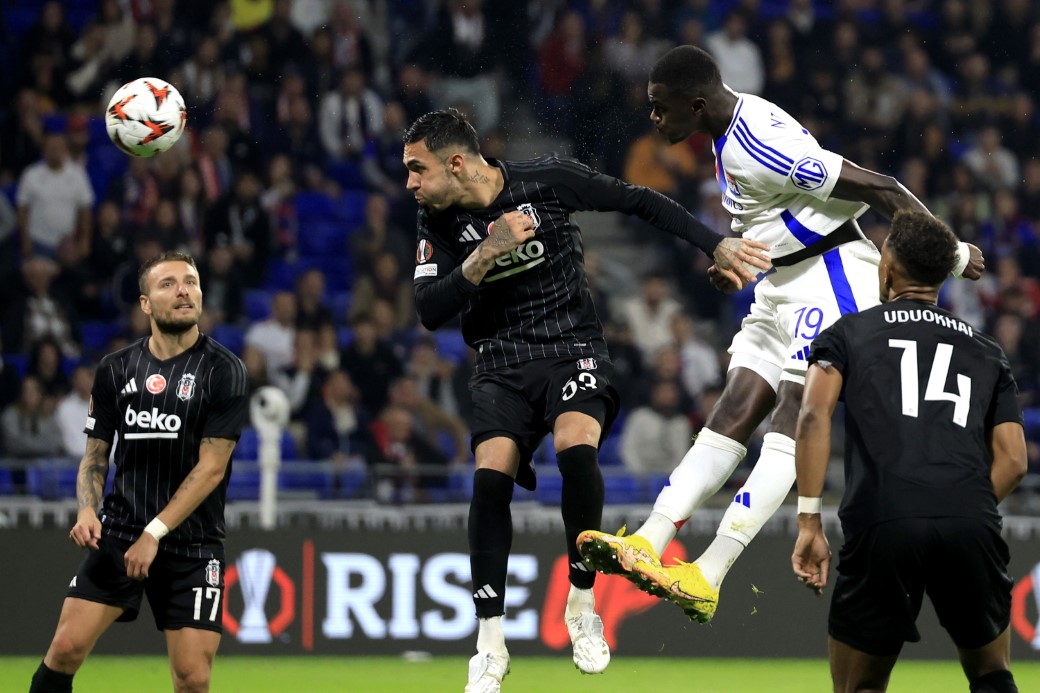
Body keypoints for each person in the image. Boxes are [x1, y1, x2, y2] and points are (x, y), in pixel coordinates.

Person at [577, 45, 985, 624]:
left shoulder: (760, 145)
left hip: (832, 278)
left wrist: (953, 252)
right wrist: (737, 264)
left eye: (659, 108)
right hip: (779, 285)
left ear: (695, 103)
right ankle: (648, 538)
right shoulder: (726, 131)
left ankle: (709, 572)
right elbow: (778, 216)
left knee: (795, 414)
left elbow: (881, 188)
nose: (653, 118)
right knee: (735, 406)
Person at [403, 108, 769, 691]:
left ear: (455, 162)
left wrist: (715, 244)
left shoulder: (546, 180)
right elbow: (428, 310)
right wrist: (485, 253)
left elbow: (640, 201)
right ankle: (489, 646)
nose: (411, 184)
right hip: (500, 358)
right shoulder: (436, 220)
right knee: (489, 478)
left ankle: (581, 605)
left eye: (417, 169)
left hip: (573, 345)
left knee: (577, 449)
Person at [792, 212, 1026, 693]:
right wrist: (963, 506)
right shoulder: (987, 351)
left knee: (862, 684)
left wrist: (809, 521)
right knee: (992, 674)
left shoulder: (848, 334)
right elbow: (1015, 460)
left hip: (884, 518)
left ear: (888, 268)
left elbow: (813, 416)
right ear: (942, 275)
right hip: (969, 517)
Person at [29, 251, 249, 693]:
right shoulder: (115, 369)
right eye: (168, 283)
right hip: (121, 533)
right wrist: (87, 511)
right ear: (146, 303)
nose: (184, 290)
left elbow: (211, 470)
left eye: (191, 281)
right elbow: (95, 456)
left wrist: (156, 533)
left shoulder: (224, 371)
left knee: (192, 679)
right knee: (65, 649)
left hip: (193, 544)